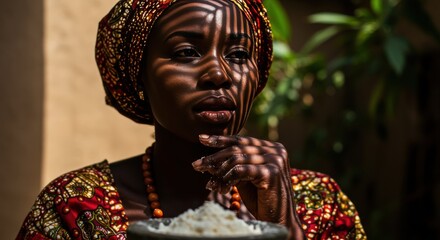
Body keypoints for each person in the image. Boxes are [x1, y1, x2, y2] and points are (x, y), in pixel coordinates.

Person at [17, 0, 366, 239]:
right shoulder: (75, 209)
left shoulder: (319, 204)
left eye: (239, 54)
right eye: (186, 52)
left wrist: (282, 226)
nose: (218, 73)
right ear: (138, 76)